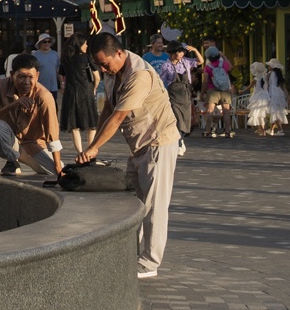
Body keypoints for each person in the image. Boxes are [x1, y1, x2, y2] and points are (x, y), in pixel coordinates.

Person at [76, 32, 181, 279]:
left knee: (154, 205)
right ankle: (130, 254)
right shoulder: (113, 72)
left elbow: (118, 117)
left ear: (119, 53)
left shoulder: (139, 75)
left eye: (105, 64)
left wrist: (93, 149)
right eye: (99, 65)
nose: (103, 70)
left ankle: (149, 262)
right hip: (138, 146)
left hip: (158, 142)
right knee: (133, 202)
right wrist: (93, 144)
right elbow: (108, 108)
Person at [0, 54, 65, 180]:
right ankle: (12, 160)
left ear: (37, 76)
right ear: (12, 74)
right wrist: (12, 105)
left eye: (30, 77)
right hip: (11, 142)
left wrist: (58, 167)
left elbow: (52, 135)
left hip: (34, 146)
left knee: (58, 171)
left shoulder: (44, 96)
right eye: (21, 77)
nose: (26, 82)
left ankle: (19, 158)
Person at [57, 24, 102, 155]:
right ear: (80, 44)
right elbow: (97, 77)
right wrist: (94, 89)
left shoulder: (66, 58)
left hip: (71, 93)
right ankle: (89, 151)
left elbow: (60, 74)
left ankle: (80, 152)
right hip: (86, 92)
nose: (87, 46)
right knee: (91, 125)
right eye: (85, 44)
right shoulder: (86, 58)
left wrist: (63, 84)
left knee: (74, 126)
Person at [200, 42, 237, 138]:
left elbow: (205, 81)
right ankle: (227, 131)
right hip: (224, 89)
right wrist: (224, 56)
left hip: (212, 89)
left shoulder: (208, 67)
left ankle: (208, 131)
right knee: (226, 111)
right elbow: (231, 67)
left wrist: (202, 93)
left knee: (209, 111)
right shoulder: (223, 64)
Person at [32, 32, 61, 97]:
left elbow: (58, 70)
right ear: (40, 43)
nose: (47, 43)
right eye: (44, 42)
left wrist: (62, 83)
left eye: (49, 41)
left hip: (53, 87)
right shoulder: (35, 56)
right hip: (40, 87)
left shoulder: (55, 54)